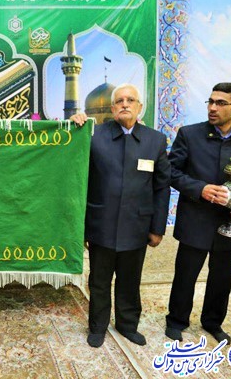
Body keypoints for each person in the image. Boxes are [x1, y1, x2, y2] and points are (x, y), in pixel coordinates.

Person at [71, 83, 171, 348]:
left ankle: (128, 325)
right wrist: (74, 125)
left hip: (137, 225)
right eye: (119, 101)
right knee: (99, 281)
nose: (125, 104)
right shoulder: (93, 134)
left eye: (130, 100)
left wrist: (157, 228)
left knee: (130, 281)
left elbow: (161, 187)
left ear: (140, 107)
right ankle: (97, 327)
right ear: (112, 108)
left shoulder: (155, 140)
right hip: (101, 224)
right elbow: (74, 171)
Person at [165, 82, 231, 345]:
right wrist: (201, 189)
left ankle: (213, 322)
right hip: (195, 219)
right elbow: (171, 171)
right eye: (210, 101)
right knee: (185, 275)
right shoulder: (189, 134)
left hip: (229, 222)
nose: (212, 108)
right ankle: (176, 321)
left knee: (221, 279)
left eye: (220, 103)